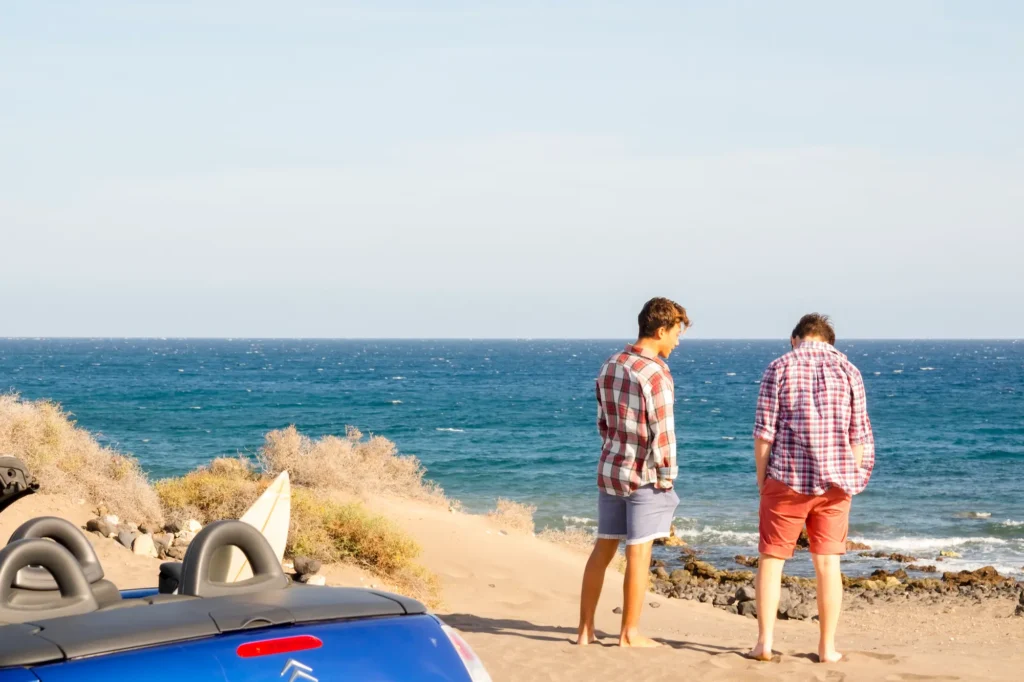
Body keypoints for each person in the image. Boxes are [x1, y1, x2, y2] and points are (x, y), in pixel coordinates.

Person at [748, 313, 875, 663]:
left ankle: (765, 644)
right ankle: (827, 648)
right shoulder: (850, 371)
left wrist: (762, 479)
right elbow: (859, 436)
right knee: (828, 565)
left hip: (786, 478)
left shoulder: (779, 367)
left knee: (771, 562)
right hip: (836, 483)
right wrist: (854, 477)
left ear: (795, 338)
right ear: (829, 342)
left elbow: (764, 433)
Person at [576, 296, 690, 648]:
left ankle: (585, 631)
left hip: (612, 468)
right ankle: (630, 633)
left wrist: (616, 450)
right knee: (639, 553)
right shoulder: (655, 373)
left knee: (603, 548)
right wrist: (667, 475)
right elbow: (663, 431)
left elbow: (603, 422)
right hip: (644, 474)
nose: (677, 341)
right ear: (660, 330)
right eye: (676, 333)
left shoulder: (610, 364)